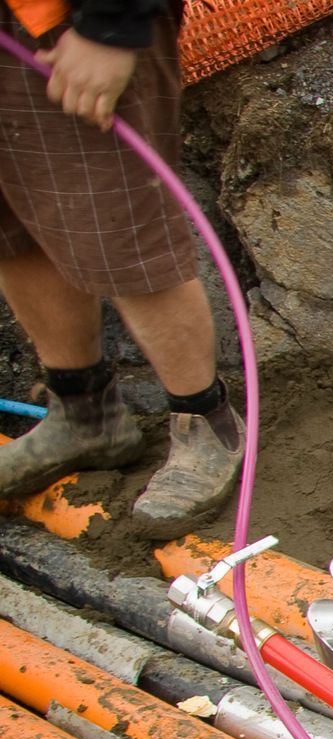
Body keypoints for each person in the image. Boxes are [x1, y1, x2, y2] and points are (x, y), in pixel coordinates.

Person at [0, 0, 241, 537]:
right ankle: (85, 416)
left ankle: (206, 422)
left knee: (121, 236)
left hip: (67, 27)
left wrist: (111, 25)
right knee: (14, 232)